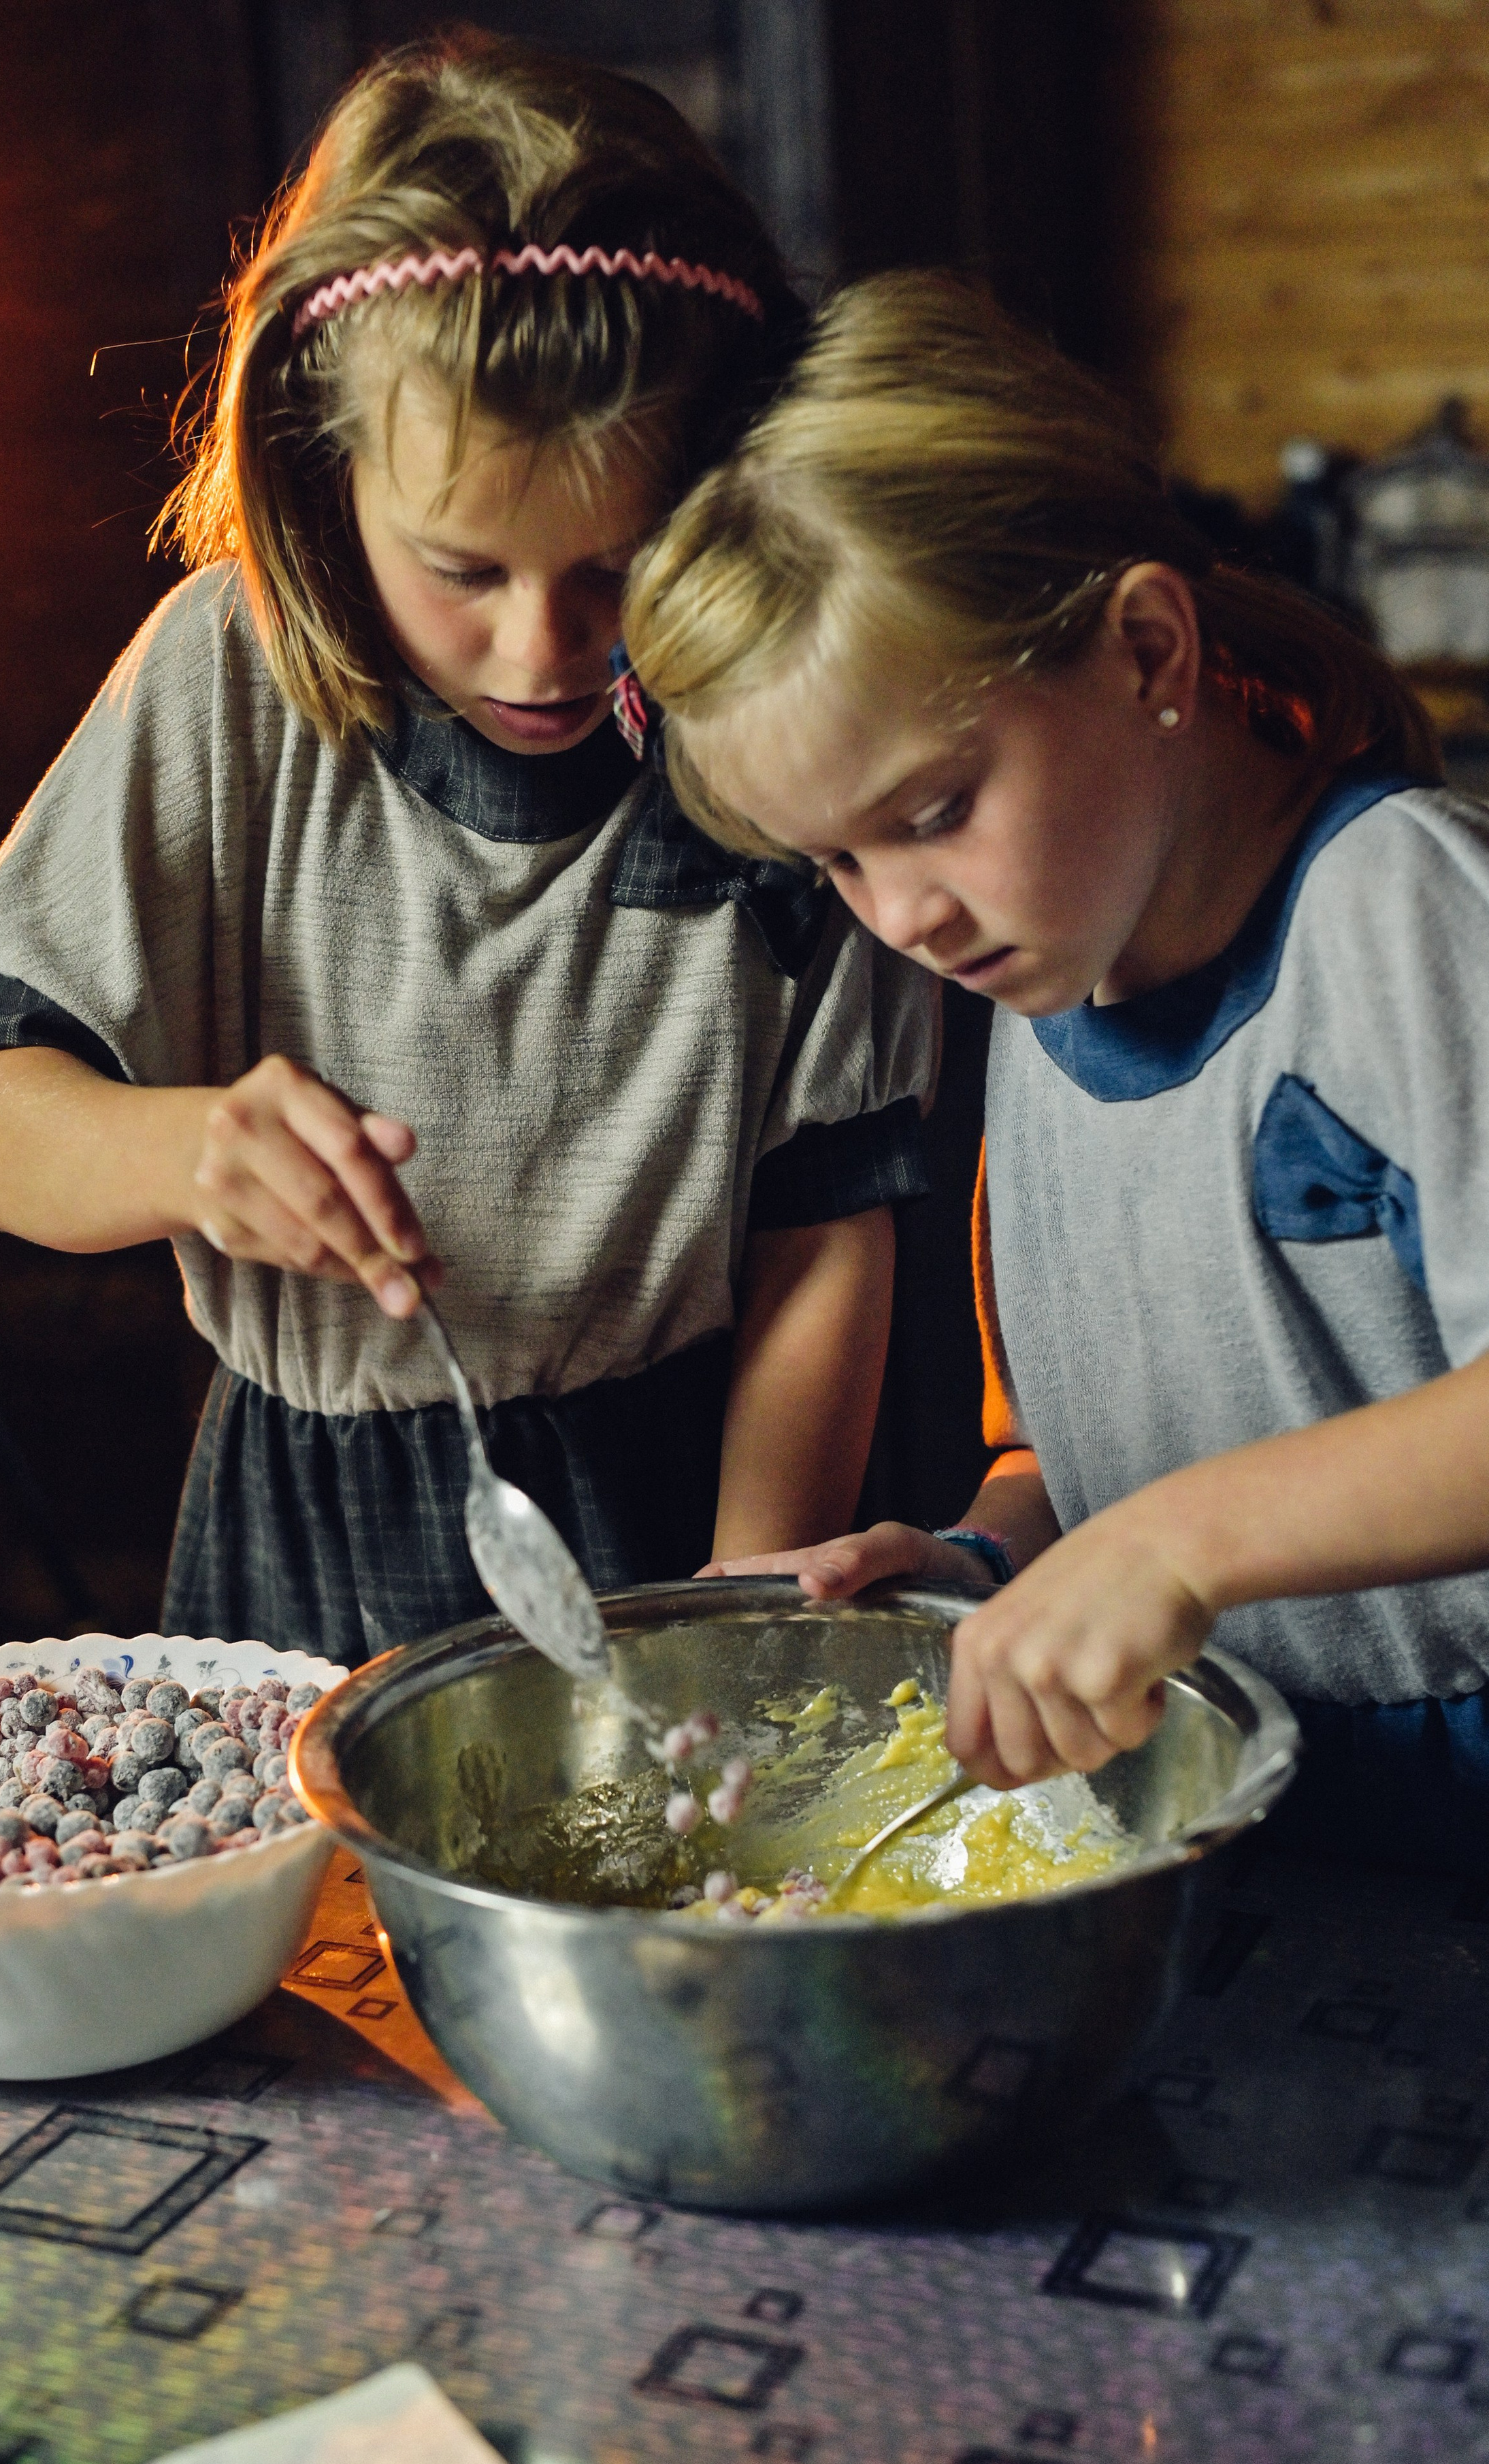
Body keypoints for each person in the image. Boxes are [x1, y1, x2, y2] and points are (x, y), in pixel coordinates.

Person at [0, 36, 938, 1665]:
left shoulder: (780, 727)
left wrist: (732, 1625)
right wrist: (186, 1153)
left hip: (686, 1503)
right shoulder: (227, 679)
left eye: (615, 566)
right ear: (325, 477)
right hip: (298, 1518)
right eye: (461, 567)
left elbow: (824, 1232)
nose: (540, 647)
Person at [622, 269, 1489, 1866]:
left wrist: (1174, 1547)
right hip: (1219, 1826)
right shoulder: (1039, 979)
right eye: (836, 864)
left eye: (935, 809)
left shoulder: (1404, 916)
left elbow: (1190, 1512)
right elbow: (1074, 1446)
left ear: (1147, 650)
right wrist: (980, 1560)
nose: (902, 916)